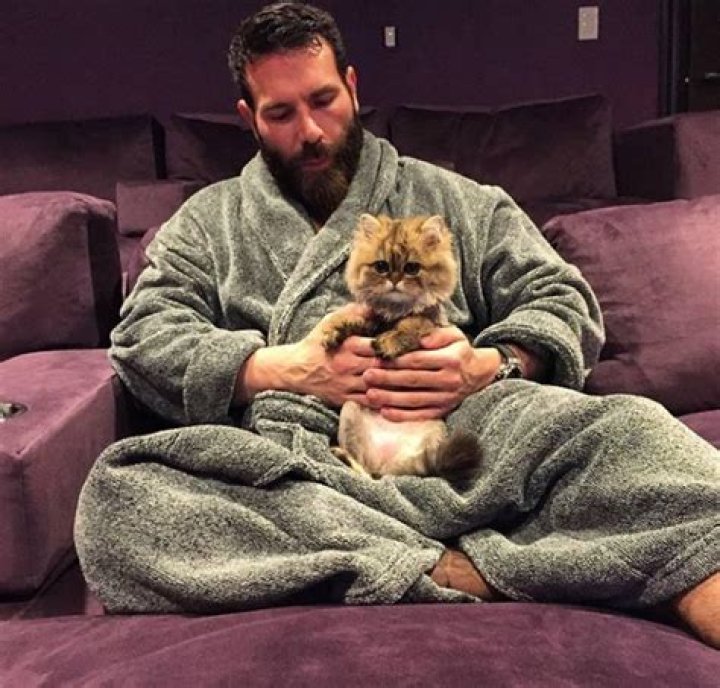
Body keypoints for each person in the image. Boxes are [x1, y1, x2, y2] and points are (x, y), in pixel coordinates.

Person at [74, 2, 719, 647]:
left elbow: (561, 297)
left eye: (323, 100)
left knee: (635, 432)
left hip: (464, 436)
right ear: (249, 118)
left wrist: (490, 364)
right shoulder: (207, 222)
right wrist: (283, 368)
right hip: (301, 465)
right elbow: (143, 336)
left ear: (352, 87)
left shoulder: (455, 199)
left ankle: (386, 562)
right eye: (281, 113)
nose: (311, 131)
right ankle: (474, 565)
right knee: (119, 501)